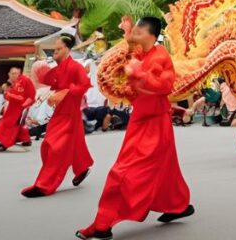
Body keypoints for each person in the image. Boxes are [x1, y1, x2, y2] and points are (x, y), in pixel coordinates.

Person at [77, 17, 193, 240]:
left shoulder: (160, 57)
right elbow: (130, 49)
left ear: (151, 35)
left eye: (139, 31)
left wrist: (141, 74)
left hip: (155, 123)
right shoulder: (141, 52)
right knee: (166, 169)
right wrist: (128, 33)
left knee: (122, 173)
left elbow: (166, 85)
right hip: (141, 119)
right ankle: (178, 205)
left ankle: (103, 224)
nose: (134, 35)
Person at [23, 35, 93, 198]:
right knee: (61, 145)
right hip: (59, 112)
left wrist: (67, 91)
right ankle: (82, 168)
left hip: (69, 113)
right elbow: (51, 84)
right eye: (54, 49)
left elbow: (84, 86)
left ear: (68, 50)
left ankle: (44, 185)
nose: (55, 51)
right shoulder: (58, 68)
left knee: (54, 147)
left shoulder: (76, 67)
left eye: (58, 49)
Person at [0, 65, 35, 152]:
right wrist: (8, 95)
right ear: (9, 74)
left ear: (19, 72)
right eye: (12, 73)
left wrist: (10, 95)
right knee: (17, 125)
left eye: (16, 73)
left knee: (12, 124)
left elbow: (24, 97)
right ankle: (26, 140)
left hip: (21, 107)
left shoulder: (24, 80)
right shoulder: (14, 83)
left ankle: (5, 144)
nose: (14, 75)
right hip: (14, 108)